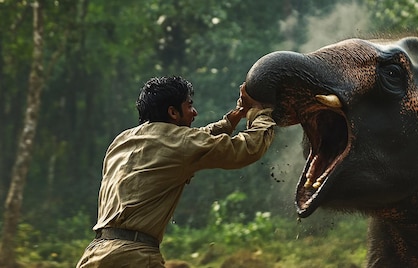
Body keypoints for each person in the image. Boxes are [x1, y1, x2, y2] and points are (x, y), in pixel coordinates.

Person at [76, 76, 275, 267]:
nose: (194, 112)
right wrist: (262, 113)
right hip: (133, 258)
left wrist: (235, 115)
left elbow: (194, 139)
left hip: (94, 255)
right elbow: (247, 149)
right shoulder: (180, 143)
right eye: (189, 105)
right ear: (173, 112)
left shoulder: (122, 141)